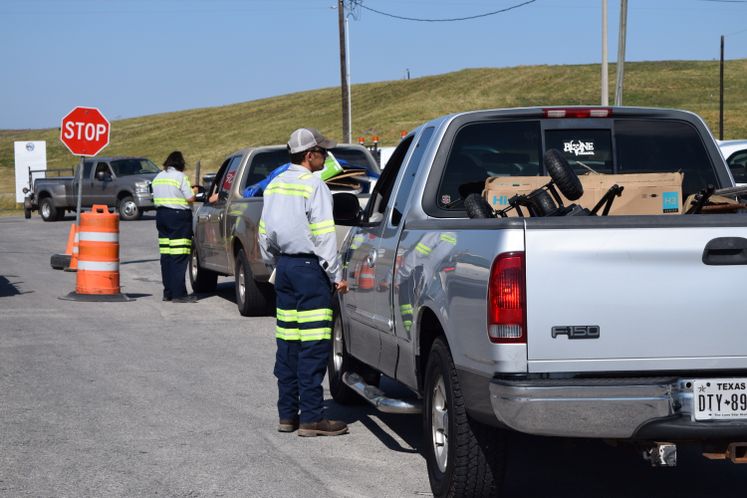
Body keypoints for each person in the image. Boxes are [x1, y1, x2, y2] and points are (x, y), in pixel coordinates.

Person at [259, 128, 349, 437]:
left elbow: (264, 233)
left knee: (288, 342)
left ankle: (288, 416)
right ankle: (312, 418)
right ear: (309, 155)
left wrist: (277, 264)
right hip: (310, 271)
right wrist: (336, 276)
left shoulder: (274, 185)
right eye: (323, 152)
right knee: (313, 344)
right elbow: (324, 236)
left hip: (284, 268)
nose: (326, 156)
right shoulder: (315, 186)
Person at [152, 151, 198, 303]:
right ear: (180, 163)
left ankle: (168, 292)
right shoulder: (180, 176)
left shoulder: (158, 177)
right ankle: (180, 294)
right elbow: (190, 198)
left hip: (161, 216)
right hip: (178, 217)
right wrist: (195, 191)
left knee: (166, 256)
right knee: (179, 255)